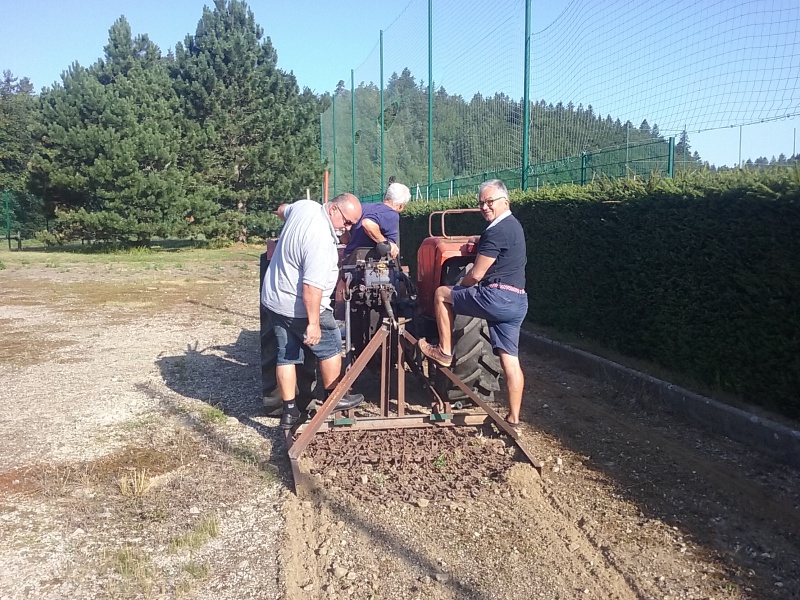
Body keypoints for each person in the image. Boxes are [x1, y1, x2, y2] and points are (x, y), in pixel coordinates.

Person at [418, 179, 528, 426]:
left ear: (505, 201)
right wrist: (481, 240)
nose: (485, 207)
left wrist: (461, 287)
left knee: (441, 294)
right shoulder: (514, 226)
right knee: (510, 360)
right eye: (481, 203)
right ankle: (514, 418)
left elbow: (477, 274)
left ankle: (444, 351)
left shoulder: (495, 231)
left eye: (490, 202)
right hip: (518, 301)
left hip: (495, 297)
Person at [261, 193, 366, 430]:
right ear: (333, 209)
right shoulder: (321, 241)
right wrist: (314, 324)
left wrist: (283, 216)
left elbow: (282, 208)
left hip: (275, 299)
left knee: (286, 355)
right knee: (331, 347)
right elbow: (311, 289)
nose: (347, 228)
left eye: (352, 224)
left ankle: (289, 411)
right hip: (299, 305)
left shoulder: (304, 207)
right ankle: (333, 398)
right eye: (347, 222)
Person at [343, 182, 411, 260]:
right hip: (369, 262)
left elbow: (343, 226)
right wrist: (386, 244)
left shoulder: (363, 207)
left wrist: (350, 242)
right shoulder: (391, 214)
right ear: (401, 205)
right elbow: (367, 223)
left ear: (385, 195)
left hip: (349, 258)